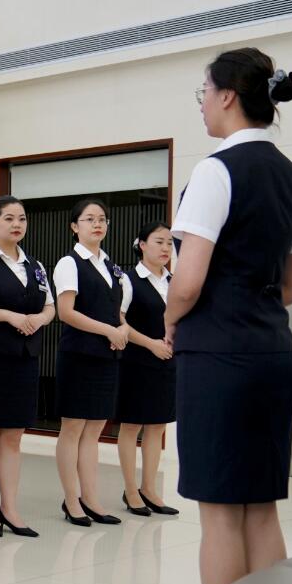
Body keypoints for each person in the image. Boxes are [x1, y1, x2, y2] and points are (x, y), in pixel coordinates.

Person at [156, 48, 292, 584]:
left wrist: (170, 319)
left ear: (225, 96)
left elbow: (187, 280)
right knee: (261, 511)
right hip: (273, 354)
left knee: (220, 515)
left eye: (203, 92)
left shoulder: (215, 171)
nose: (201, 104)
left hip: (217, 358)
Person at [0, 195, 54, 539]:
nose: (17, 224)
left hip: (25, 359)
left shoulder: (35, 265)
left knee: (14, 437)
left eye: (22, 218)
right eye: (9, 218)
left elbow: (50, 306)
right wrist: (8, 316)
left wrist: (39, 319)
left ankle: (10, 508)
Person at [53, 199, 132, 527]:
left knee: (95, 429)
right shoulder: (69, 263)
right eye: (89, 219)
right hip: (79, 356)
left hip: (106, 356)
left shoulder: (112, 267)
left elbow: (118, 312)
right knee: (73, 428)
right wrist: (109, 330)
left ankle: (90, 498)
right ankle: (71, 500)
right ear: (75, 226)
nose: (97, 224)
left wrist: (123, 328)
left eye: (102, 219)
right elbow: (66, 312)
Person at [117, 221, 179, 517]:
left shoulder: (174, 281)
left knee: (158, 425)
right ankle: (131, 491)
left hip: (168, 363)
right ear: (142, 245)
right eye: (159, 241)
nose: (166, 248)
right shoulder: (128, 280)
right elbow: (118, 321)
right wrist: (150, 344)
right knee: (132, 426)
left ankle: (149, 489)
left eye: (169, 243)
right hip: (137, 361)